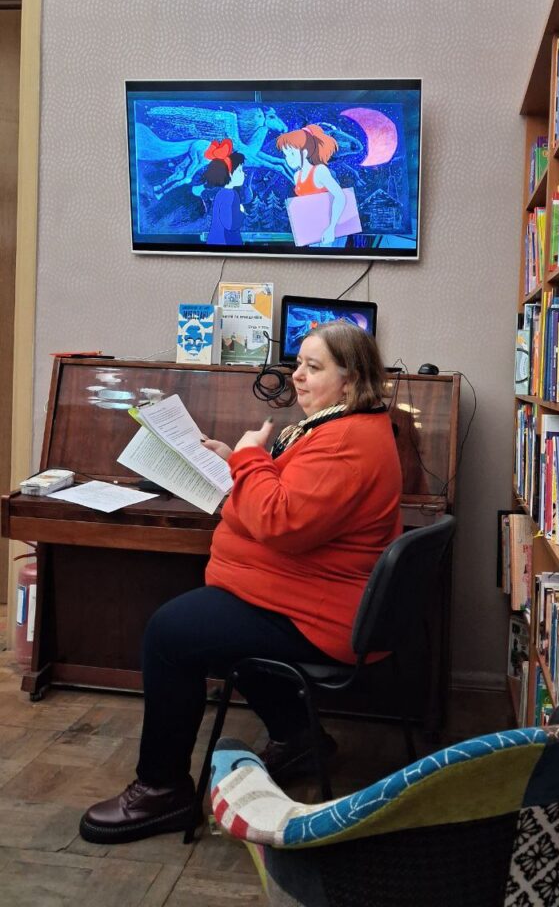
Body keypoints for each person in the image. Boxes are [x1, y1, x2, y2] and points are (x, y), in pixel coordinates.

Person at [79, 322, 402, 844]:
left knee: (169, 634)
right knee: (213, 625)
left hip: (317, 614)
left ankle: (162, 791)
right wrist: (234, 459)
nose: (297, 376)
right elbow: (295, 495)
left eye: (313, 367)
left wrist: (248, 457)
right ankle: (298, 739)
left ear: (351, 379)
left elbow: (281, 522)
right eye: (297, 364)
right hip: (303, 596)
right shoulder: (342, 425)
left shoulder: (347, 441)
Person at [276, 123, 346, 245]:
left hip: (330, 230)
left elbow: (340, 197)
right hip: (312, 229)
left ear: (305, 152)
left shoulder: (320, 171)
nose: (288, 159)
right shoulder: (297, 176)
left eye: (292, 153)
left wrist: (331, 227)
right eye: (286, 155)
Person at [203, 138, 247, 246]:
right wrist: (241, 212)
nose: (244, 174)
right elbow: (230, 224)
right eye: (240, 170)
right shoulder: (231, 195)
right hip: (227, 243)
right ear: (230, 174)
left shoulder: (221, 193)